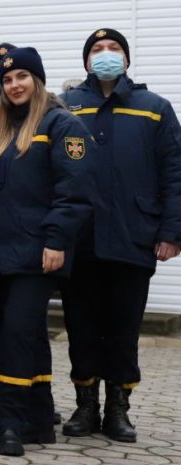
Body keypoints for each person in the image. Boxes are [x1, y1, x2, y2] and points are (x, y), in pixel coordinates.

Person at [59, 28, 181, 442]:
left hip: (133, 238)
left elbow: (174, 174)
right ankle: (85, 405)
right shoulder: (68, 106)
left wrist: (171, 232)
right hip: (81, 240)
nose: (106, 54)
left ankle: (118, 408)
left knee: (123, 330)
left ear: (127, 59)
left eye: (114, 49)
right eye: (97, 49)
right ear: (86, 60)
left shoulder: (154, 108)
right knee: (81, 326)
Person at [0, 47, 93, 457]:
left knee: (15, 333)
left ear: (38, 80)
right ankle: (40, 420)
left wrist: (57, 240)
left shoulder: (62, 125)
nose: (14, 85)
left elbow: (74, 193)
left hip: (37, 253)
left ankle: (10, 422)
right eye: (7, 80)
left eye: (22, 77)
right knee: (25, 334)